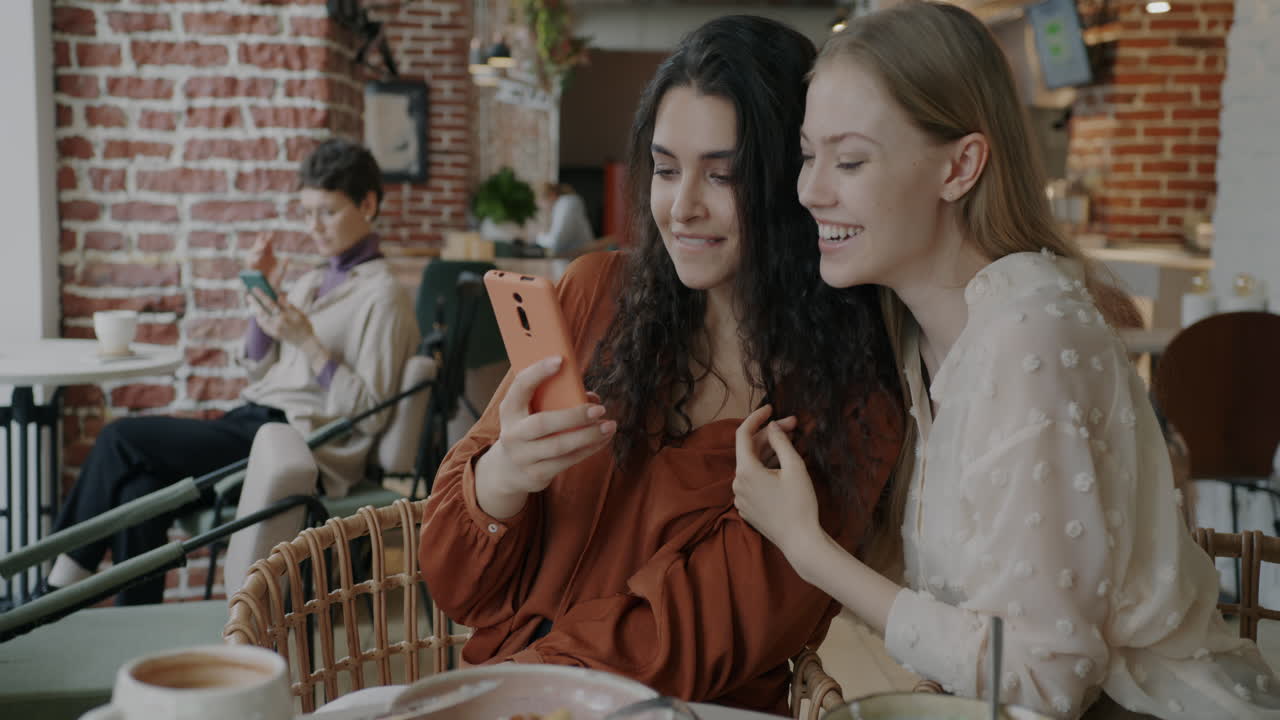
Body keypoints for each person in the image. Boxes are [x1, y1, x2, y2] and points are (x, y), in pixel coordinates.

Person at [732, 3, 1280, 718]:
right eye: (809, 154)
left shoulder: (1031, 337)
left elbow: (1046, 678)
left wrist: (810, 549)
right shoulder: (916, 336)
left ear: (960, 166)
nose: (811, 189)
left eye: (851, 159)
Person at [419, 15, 902, 714]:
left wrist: (498, 692)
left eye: (723, 175)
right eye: (666, 169)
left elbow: (682, 642)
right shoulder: (593, 295)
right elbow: (454, 581)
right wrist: (500, 481)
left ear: (792, 183)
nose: (682, 207)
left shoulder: (847, 396)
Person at [47, 138, 420, 605]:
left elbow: (368, 413)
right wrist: (261, 311)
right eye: (306, 213)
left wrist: (307, 340)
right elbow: (260, 367)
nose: (313, 227)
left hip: (298, 441)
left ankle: (53, 590)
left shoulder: (384, 297)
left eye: (326, 212)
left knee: (120, 439)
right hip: (254, 420)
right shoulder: (311, 282)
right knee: (139, 492)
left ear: (367, 204)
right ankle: (134, 627)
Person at [533, 181, 594, 257]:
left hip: (581, 257)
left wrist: (539, 238)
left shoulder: (565, 204)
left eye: (541, 203)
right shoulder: (563, 204)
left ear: (551, 195)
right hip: (577, 257)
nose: (543, 208)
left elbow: (556, 243)